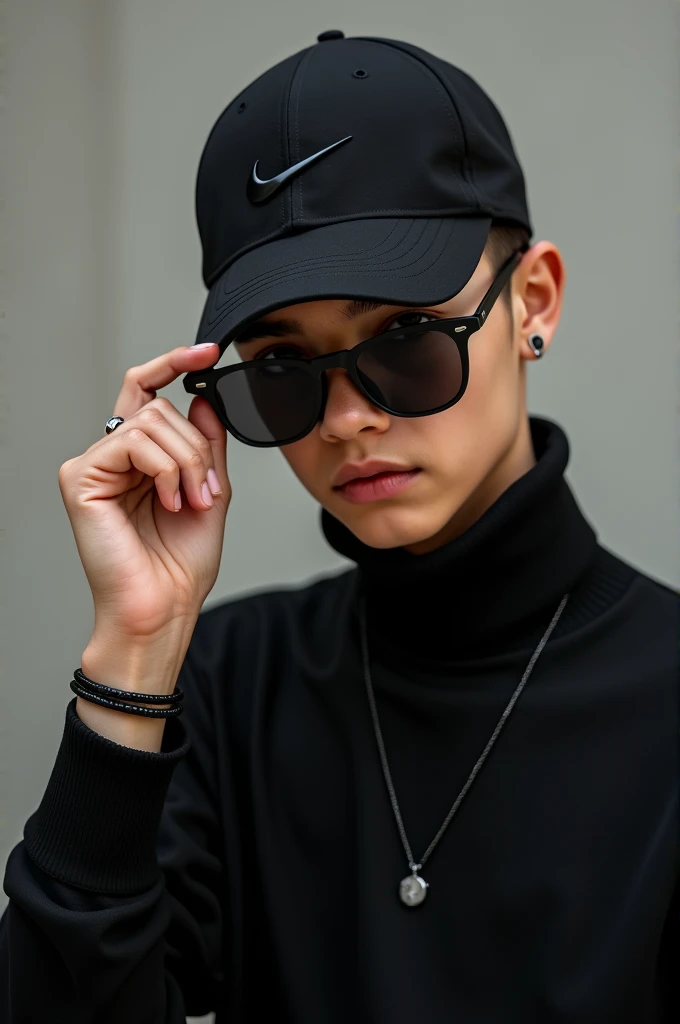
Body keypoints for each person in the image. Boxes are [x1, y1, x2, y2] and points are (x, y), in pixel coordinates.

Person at [1, 29, 678, 1024]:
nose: (350, 415)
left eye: (404, 340)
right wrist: (133, 654)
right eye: (282, 372)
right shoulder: (228, 686)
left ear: (530, 301)